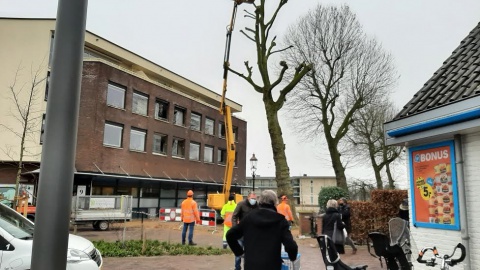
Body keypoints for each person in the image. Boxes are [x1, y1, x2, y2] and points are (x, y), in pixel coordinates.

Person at [227, 190, 298, 270]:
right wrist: (292, 257)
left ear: (260, 201)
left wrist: (239, 252)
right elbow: (291, 246)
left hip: (251, 265)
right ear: (275, 203)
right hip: (272, 265)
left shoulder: (249, 218)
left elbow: (230, 235)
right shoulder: (280, 221)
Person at [231, 191, 258, 270]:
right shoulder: (241, 204)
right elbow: (234, 216)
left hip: (251, 234)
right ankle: (237, 267)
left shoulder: (257, 206)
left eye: (255, 199)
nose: (254, 200)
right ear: (248, 197)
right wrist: (235, 228)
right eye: (252, 198)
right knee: (238, 253)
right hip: (241, 233)